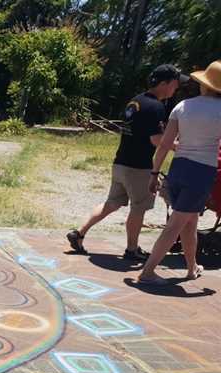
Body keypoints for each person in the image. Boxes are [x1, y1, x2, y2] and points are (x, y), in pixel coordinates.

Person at [67, 64, 188, 259]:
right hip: (138, 167)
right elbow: (156, 139)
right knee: (138, 207)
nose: (176, 88)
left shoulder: (136, 101)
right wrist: (179, 146)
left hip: (121, 162)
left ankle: (79, 233)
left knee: (112, 203)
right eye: (175, 84)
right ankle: (132, 249)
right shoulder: (156, 107)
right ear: (165, 83)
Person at [138, 60, 221, 284]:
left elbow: (165, 143)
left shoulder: (183, 106)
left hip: (178, 168)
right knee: (176, 224)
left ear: (204, 84)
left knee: (189, 221)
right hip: (201, 172)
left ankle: (191, 267)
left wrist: (154, 173)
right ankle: (147, 272)